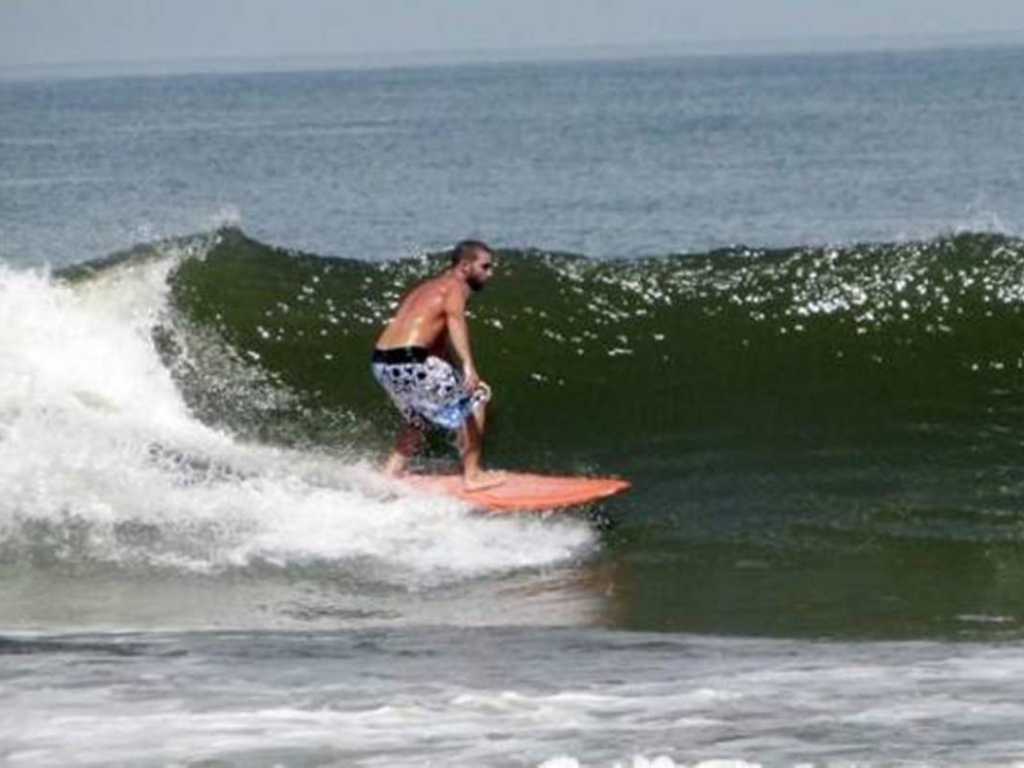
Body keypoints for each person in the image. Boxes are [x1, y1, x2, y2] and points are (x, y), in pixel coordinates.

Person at [371, 240, 504, 490]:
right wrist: (468, 367)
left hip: (382, 362)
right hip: (411, 359)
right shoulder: (455, 287)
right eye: (485, 267)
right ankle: (473, 475)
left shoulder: (427, 288)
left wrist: (452, 373)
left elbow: (434, 338)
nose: (490, 273)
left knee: (420, 417)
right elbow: (456, 322)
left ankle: (389, 474)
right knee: (478, 395)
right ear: (465, 267)